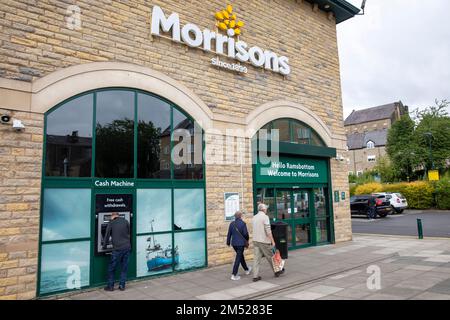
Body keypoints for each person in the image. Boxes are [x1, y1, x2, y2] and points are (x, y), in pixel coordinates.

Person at [252, 203, 283, 282]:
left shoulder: (254, 217)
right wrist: (273, 241)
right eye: (266, 209)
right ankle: (277, 271)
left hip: (255, 240)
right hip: (263, 241)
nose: (266, 210)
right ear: (263, 209)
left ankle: (255, 276)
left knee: (256, 259)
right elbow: (268, 231)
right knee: (270, 257)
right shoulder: (265, 217)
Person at [103, 212, 131, 291]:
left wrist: (104, 246)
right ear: (118, 215)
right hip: (127, 247)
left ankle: (110, 286)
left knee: (112, 268)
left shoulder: (111, 222)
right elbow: (129, 233)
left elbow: (107, 235)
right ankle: (122, 285)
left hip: (117, 249)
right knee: (124, 267)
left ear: (112, 216)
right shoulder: (125, 221)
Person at [226, 211, 251, 281]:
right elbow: (246, 234)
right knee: (238, 258)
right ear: (240, 216)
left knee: (240, 256)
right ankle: (234, 274)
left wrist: (228, 242)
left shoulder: (231, 224)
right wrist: (247, 240)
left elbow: (229, 234)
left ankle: (246, 269)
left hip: (234, 244)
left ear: (235, 216)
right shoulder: (243, 223)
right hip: (240, 244)